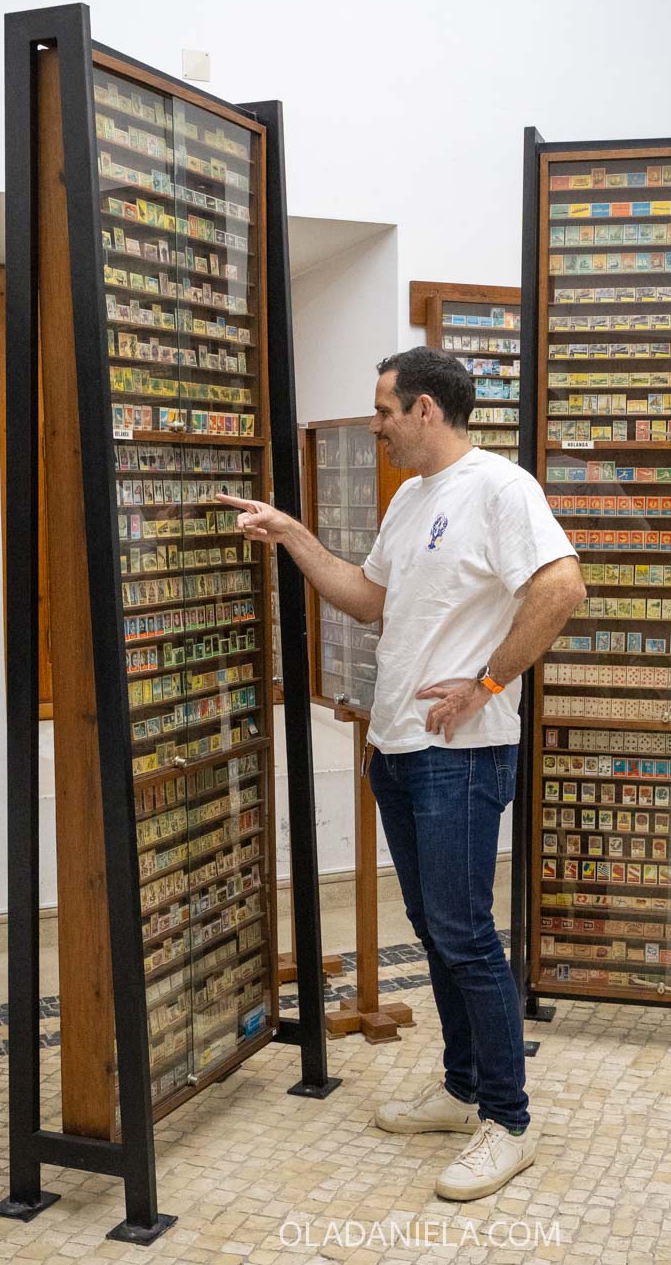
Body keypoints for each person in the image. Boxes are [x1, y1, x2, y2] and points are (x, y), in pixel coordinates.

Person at [219, 345, 585, 1201]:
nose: (376, 425)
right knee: (434, 928)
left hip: (463, 755)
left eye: (384, 410)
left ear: (425, 409)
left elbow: (562, 587)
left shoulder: (502, 488)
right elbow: (369, 596)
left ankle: (509, 1122)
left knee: (464, 934)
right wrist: (294, 535)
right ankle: (462, 1092)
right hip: (402, 748)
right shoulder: (412, 499)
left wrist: (489, 680)